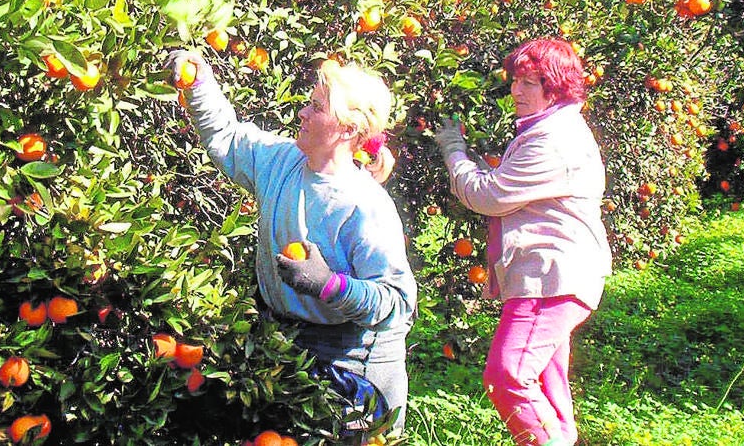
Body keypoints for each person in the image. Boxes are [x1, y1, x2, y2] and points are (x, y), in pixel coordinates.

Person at [169, 50, 416, 435]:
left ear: (347, 129)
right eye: (307, 103)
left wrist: (331, 286)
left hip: (351, 369)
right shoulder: (282, 163)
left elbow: (398, 306)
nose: (301, 113)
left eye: (316, 108)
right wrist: (199, 83)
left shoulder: (365, 207)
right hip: (284, 346)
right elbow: (228, 138)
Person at [432, 37, 611, 446]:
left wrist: (454, 151)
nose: (516, 91)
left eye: (529, 83)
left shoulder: (553, 140)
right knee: (547, 385)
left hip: (551, 275)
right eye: (515, 81)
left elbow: (489, 196)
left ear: (557, 88)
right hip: (556, 274)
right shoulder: (549, 130)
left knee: (508, 374)